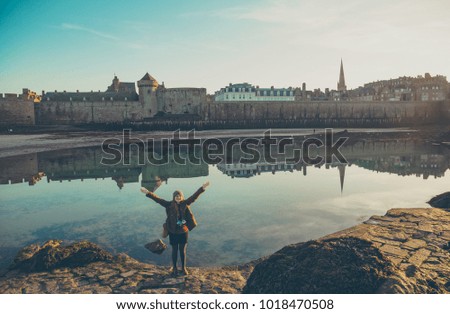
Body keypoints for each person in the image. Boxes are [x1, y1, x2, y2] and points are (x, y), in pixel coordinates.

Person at [140, 181, 210, 276]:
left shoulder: (185, 203)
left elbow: (194, 196)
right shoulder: (169, 205)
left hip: (183, 232)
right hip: (172, 231)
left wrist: (202, 188)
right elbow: (158, 199)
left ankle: (184, 268)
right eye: (176, 196)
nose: (178, 197)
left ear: (182, 197)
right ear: (174, 197)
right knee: (174, 250)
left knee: (182, 251)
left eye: (179, 196)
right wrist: (148, 192)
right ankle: (175, 268)